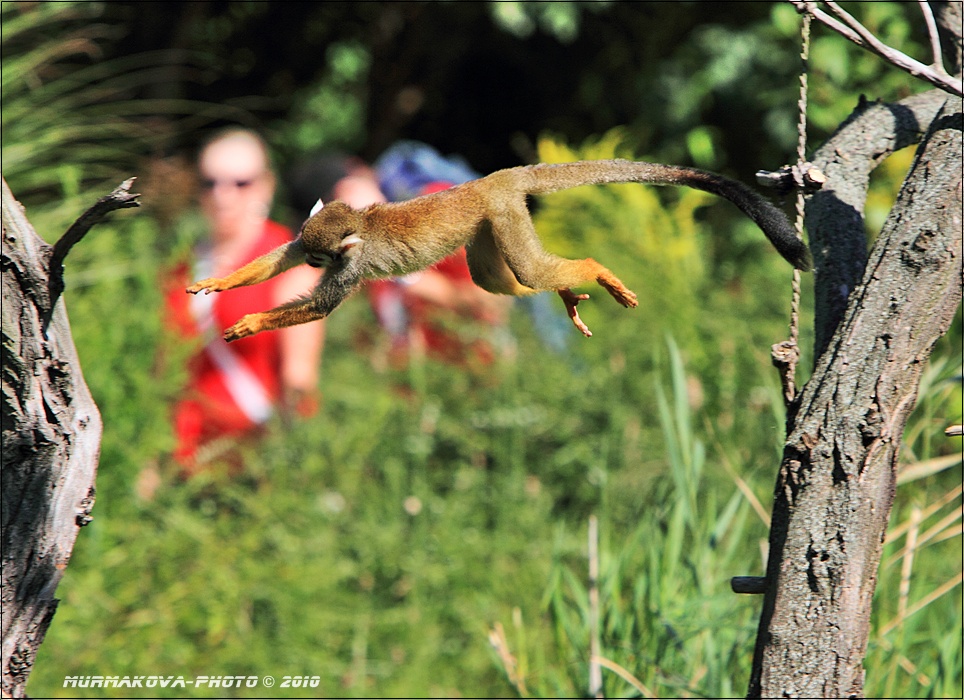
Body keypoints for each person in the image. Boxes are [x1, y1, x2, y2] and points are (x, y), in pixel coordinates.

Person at [164, 128, 325, 474]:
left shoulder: (290, 268)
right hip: (180, 461)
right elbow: (166, 370)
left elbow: (299, 382)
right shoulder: (183, 266)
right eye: (210, 183)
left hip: (251, 464)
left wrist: (288, 467)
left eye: (240, 183)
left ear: (266, 186)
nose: (223, 195)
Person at [288, 143, 512, 369]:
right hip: (426, 391)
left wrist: (406, 273)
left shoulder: (440, 208)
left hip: (477, 378)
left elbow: (495, 302)